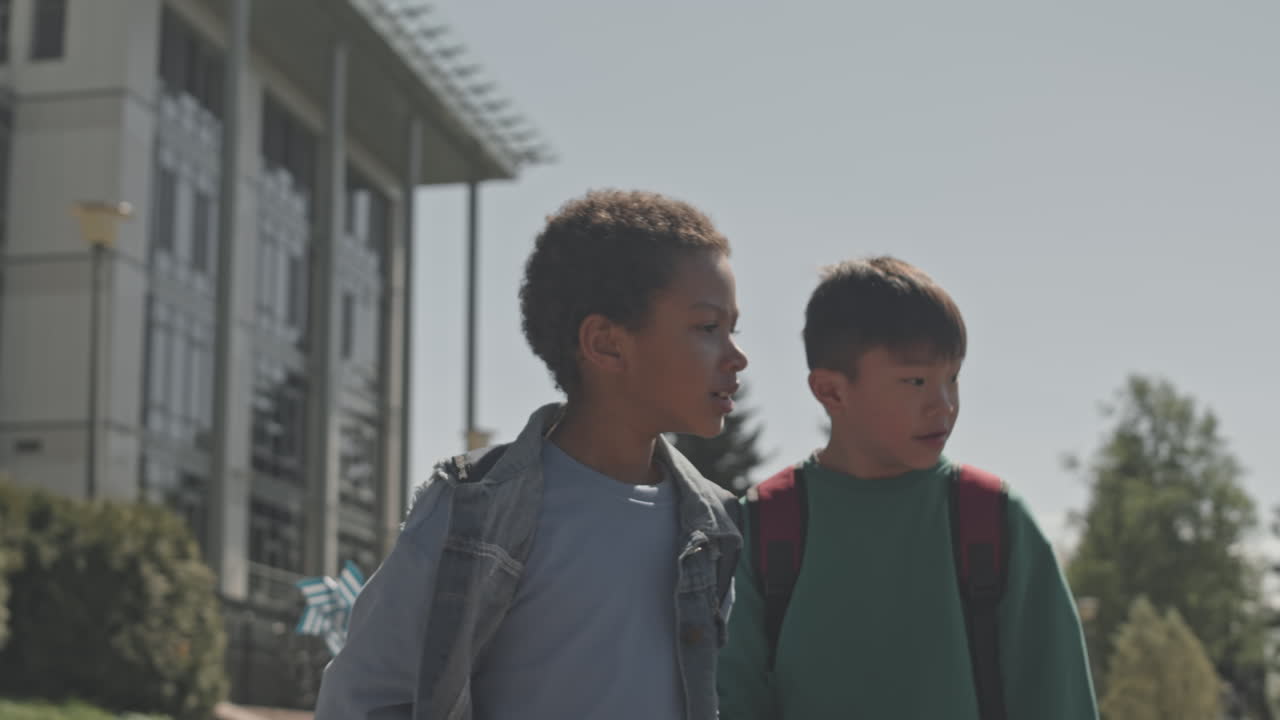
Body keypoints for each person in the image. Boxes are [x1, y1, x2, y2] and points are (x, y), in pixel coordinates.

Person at [315, 189, 749, 720]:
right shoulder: (472, 512)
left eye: (733, 328)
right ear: (607, 343)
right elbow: (365, 699)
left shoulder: (717, 530)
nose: (737, 356)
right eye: (708, 327)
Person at [717, 256, 1097, 719]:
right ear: (831, 392)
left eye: (952, 378)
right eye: (915, 381)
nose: (944, 406)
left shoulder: (993, 518)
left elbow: (1059, 701)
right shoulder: (761, 526)